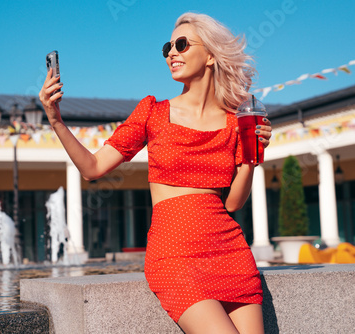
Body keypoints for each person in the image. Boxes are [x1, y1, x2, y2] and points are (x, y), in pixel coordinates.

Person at [39, 12, 271, 334]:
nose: (171, 53)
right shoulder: (153, 112)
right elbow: (92, 168)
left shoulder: (236, 122)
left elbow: (233, 203)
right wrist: (55, 119)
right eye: (167, 47)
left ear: (210, 55)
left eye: (181, 44)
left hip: (230, 252)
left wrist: (251, 158)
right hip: (174, 256)